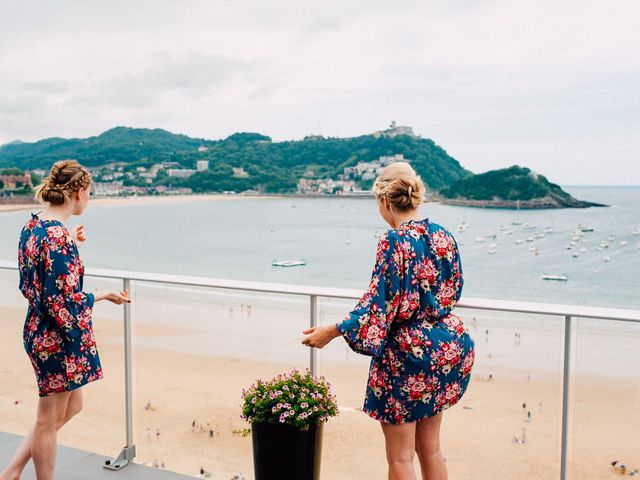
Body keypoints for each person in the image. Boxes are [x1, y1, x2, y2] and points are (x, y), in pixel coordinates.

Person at [302, 162, 475, 480]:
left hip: (408, 355)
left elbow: (378, 304)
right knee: (431, 449)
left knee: (401, 458)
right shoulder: (443, 236)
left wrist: (333, 330)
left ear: (384, 201)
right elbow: (453, 288)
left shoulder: (394, 241)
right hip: (445, 346)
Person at [0, 160, 130, 480]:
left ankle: (12, 471)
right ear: (79, 193)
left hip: (39, 328)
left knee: (71, 408)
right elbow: (60, 300)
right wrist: (101, 295)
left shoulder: (34, 226)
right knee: (48, 419)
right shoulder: (57, 237)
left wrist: (73, 245)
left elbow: (32, 283)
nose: (89, 200)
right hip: (58, 337)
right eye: (89, 195)